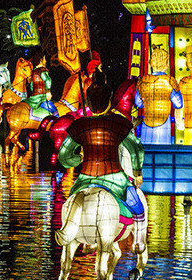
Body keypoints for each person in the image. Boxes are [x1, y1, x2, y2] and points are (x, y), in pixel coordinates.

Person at [55, 73, 145, 244]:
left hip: (85, 179)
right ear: (109, 100)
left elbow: (64, 156)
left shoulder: (80, 125)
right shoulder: (119, 123)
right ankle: (139, 241)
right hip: (115, 179)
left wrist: (78, 160)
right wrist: (137, 171)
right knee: (138, 208)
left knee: (70, 200)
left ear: (87, 102)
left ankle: (70, 228)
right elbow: (136, 149)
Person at [135, 45, 183, 144]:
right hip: (163, 124)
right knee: (162, 154)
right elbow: (178, 104)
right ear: (167, 64)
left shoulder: (143, 81)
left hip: (147, 122)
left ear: (150, 63)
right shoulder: (170, 81)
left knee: (147, 153)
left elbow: (138, 103)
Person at [24, 50, 58, 116]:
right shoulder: (42, 71)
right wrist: (48, 91)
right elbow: (48, 80)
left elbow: (31, 86)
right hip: (42, 97)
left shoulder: (33, 73)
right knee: (55, 112)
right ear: (42, 60)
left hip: (32, 98)